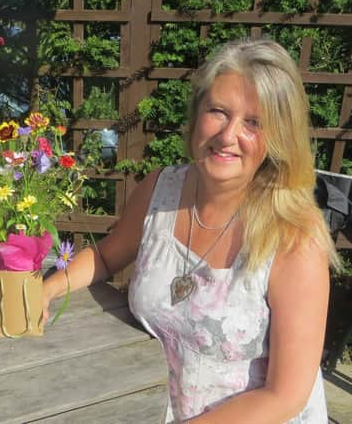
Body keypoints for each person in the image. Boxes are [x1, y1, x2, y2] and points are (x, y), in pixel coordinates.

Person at [42, 38, 339, 423]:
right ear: (197, 112)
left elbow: (284, 396)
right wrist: (47, 289)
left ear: (278, 138)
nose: (228, 135)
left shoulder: (295, 239)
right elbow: (104, 256)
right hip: (148, 404)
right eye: (219, 111)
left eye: (254, 122)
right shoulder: (160, 190)